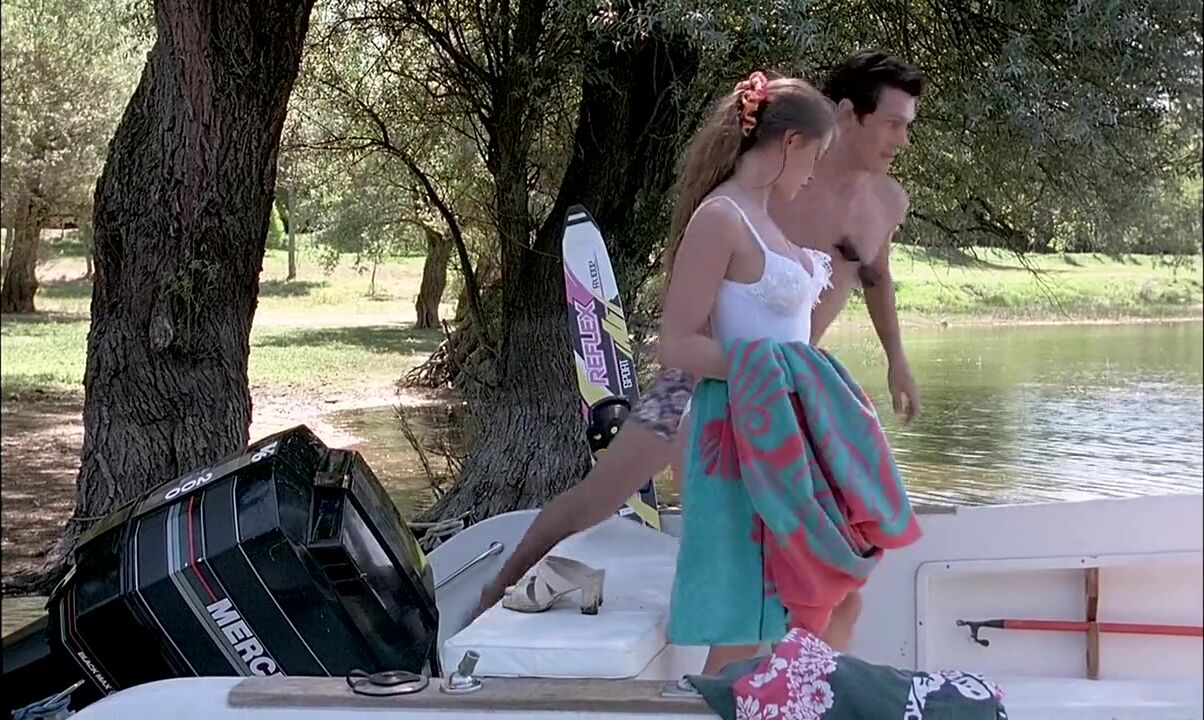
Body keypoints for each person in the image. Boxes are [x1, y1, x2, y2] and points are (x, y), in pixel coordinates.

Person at [476, 51, 925, 664]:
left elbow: (877, 278)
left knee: (806, 570)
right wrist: (713, 398)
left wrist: (897, 360)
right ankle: (496, 589)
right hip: (704, 382)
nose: (901, 138)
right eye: (893, 123)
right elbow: (714, 290)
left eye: (907, 125)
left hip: (780, 399)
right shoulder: (781, 181)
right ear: (848, 116)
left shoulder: (885, 203)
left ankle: (785, 672)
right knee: (601, 495)